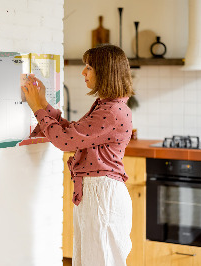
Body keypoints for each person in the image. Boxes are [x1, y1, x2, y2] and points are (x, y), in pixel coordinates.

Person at [22, 44, 134, 266]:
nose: (83, 72)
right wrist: (43, 104)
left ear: (105, 72)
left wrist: (37, 108)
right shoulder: (107, 106)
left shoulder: (111, 111)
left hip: (102, 195)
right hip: (97, 193)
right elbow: (73, 133)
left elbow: (65, 141)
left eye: (89, 67)